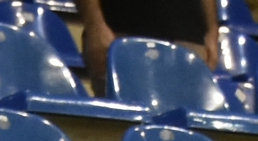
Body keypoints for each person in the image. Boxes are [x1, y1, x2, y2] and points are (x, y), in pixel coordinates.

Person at [79, 0, 218, 88]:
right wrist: (94, 25)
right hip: (122, 31)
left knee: (190, 123)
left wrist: (212, 29)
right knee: (126, 119)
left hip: (190, 37)